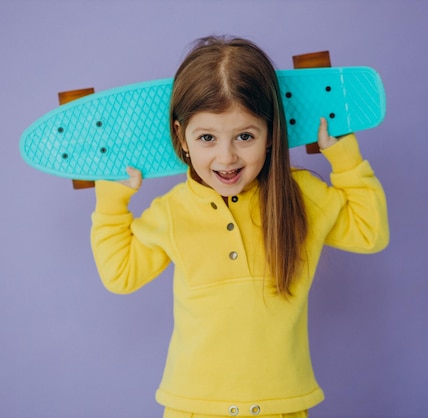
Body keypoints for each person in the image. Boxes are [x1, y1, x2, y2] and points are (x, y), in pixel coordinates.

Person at [90, 35, 389, 418]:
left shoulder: (302, 196)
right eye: (207, 138)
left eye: (245, 136)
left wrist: (344, 157)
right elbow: (121, 274)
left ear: (269, 135)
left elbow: (370, 233)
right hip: (192, 408)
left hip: (283, 407)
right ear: (182, 137)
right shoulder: (173, 211)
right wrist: (112, 203)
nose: (226, 156)